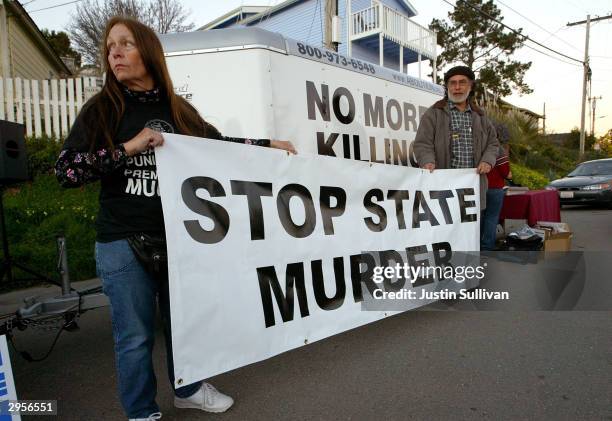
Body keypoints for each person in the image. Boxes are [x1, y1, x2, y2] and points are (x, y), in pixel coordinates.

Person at [55, 17, 295, 421]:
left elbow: (217, 148)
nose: (114, 52)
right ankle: (141, 410)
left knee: (185, 325)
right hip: (121, 240)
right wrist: (130, 147)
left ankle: (188, 389)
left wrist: (268, 146)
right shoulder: (101, 110)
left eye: (126, 44)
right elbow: (67, 171)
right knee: (134, 336)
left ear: (148, 52)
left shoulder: (178, 109)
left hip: (179, 239)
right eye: (110, 46)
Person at [413, 65, 499, 216]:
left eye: (462, 82)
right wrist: (427, 160)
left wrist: (487, 161)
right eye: (452, 83)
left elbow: (493, 143)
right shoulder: (433, 113)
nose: (457, 87)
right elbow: (422, 143)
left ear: (471, 86)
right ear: (447, 87)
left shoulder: (480, 116)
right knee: (443, 231)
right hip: (443, 187)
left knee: (470, 234)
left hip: (473, 187)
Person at [480, 123, 511, 250]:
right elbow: (506, 173)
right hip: (495, 189)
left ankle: (476, 243)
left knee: (480, 218)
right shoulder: (499, 150)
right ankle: (487, 246)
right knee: (492, 218)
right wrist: (509, 174)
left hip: (480, 187)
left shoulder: (479, 148)